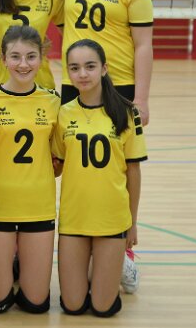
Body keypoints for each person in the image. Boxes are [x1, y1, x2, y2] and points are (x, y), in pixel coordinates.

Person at [52, 39, 146, 318]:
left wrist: (132, 223)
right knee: (73, 306)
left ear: (104, 68)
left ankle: (121, 264)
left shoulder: (127, 112)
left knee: (103, 309)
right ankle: (101, 265)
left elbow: (133, 171)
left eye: (90, 66)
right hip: (75, 217)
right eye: (75, 68)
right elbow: (57, 165)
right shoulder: (63, 113)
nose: (82, 74)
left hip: (111, 218)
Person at [0, 25, 60, 314]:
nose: (23, 64)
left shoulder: (54, 102)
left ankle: (18, 262)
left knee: (36, 305)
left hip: (38, 206)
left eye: (31, 57)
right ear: (3, 59)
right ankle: (7, 264)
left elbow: (59, 160)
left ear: (41, 58)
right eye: (15, 57)